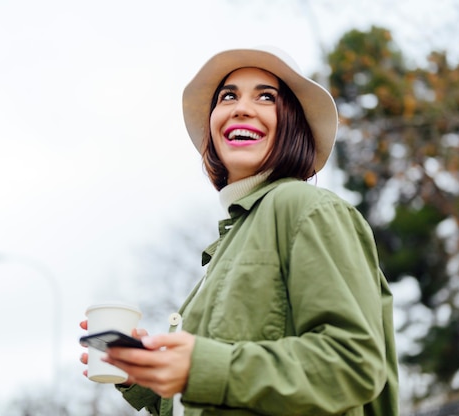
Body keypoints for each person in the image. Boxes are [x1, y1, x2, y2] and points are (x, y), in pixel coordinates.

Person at [80, 45, 399, 415]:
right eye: (227, 96)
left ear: (294, 122)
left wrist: (202, 366)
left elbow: (354, 364)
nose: (241, 107)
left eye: (266, 96)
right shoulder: (233, 240)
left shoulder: (305, 208)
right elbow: (222, 397)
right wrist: (146, 376)